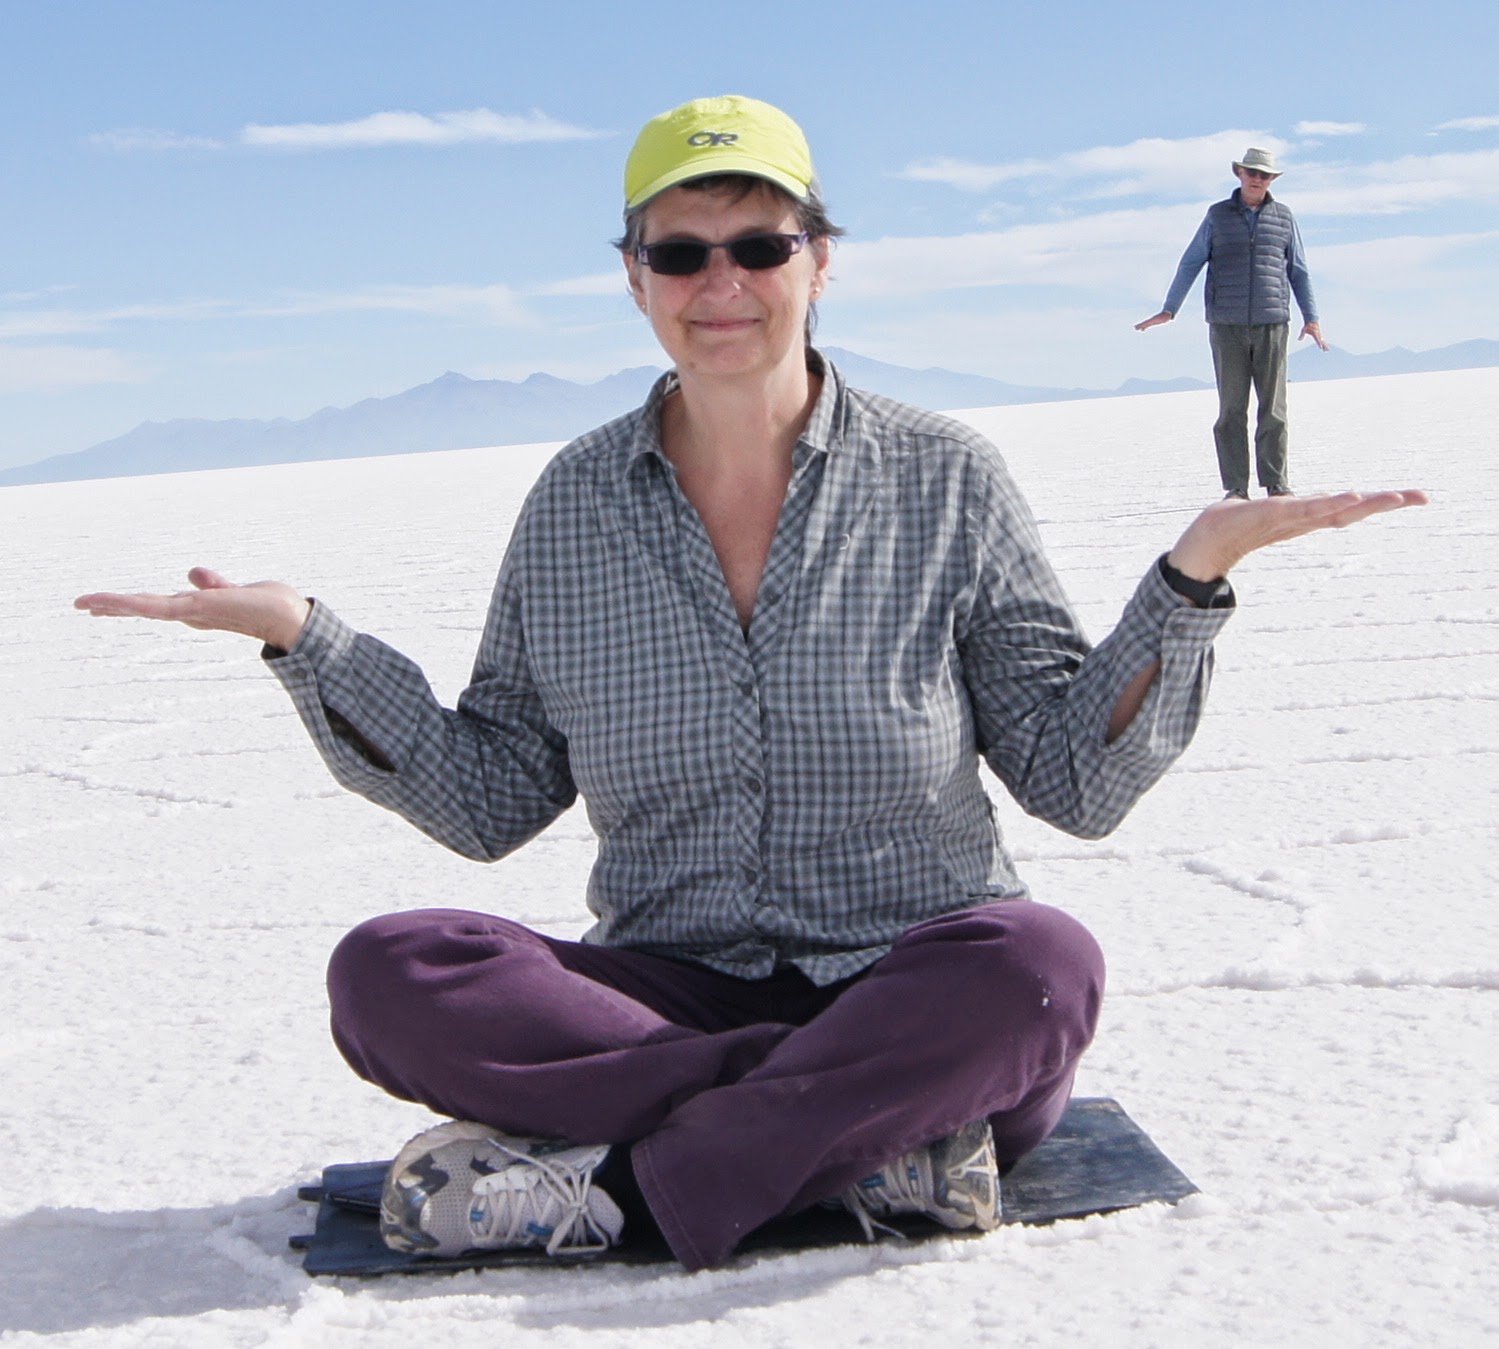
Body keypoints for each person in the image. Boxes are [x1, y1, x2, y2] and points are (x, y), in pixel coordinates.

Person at [75, 96, 1425, 1273]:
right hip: (665, 998)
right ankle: (857, 1148)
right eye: (679, 252)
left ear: (818, 260)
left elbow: (1071, 777)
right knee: (391, 971)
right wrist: (305, 639)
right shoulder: (572, 508)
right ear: (634, 278)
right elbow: (488, 796)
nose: (719, 282)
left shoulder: (944, 479)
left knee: (1035, 968)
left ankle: (624, 1183)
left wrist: (1188, 581)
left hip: (911, 987)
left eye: (759, 246)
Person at [1136, 147, 1328, 499]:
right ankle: (1236, 488)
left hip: (1272, 323)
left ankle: (1276, 483)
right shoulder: (1217, 215)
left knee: (1274, 410)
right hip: (1227, 326)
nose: (1257, 179)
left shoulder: (1283, 217)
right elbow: (1191, 262)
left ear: (1272, 180)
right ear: (1239, 173)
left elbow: (1298, 270)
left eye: (1264, 175)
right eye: (1252, 172)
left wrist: (1311, 318)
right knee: (1231, 411)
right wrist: (1170, 308)